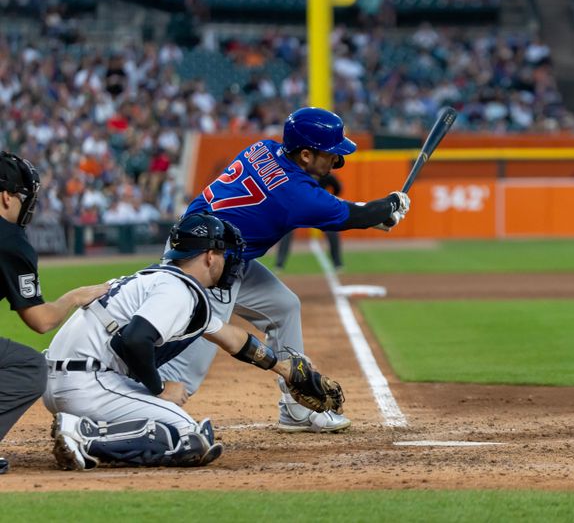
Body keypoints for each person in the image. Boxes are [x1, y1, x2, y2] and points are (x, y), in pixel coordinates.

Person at [158, 106, 411, 433]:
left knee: (284, 307)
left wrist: (374, 216)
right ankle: (145, 416)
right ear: (305, 154)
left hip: (214, 250)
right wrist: (389, 205)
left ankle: (296, 409)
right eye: (331, 154)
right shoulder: (295, 193)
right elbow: (342, 213)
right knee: (191, 361)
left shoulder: (262, 148)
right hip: (204, 264)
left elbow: (324, 208)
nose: (337, 162)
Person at [46, 212, 342, 470]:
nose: (229, 262)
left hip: (60, 380)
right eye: (226, 254)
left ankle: (88, 426)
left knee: (176, 425)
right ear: (210, 256)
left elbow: (231, 338)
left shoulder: (159, 280)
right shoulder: (177, 291)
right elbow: (135, 340)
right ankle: (85, 435)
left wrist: (284, 368)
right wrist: (160, 388)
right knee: (190, 436)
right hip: (87, 386)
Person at [0, 151, 109, 474]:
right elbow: (41, 320)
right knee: (29, 366)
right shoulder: (10, 241)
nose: (26, 204)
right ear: (6, 197)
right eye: (23, 196)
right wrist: (74, 296)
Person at [275, 173, 344, 270]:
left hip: (318, 208)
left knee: (332, 230)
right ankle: (279, 263)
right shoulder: (299, 174)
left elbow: (338, 187)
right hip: (299, 208)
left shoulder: (326, 175)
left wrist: (329, 198)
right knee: (286, 232)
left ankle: (337, 263)